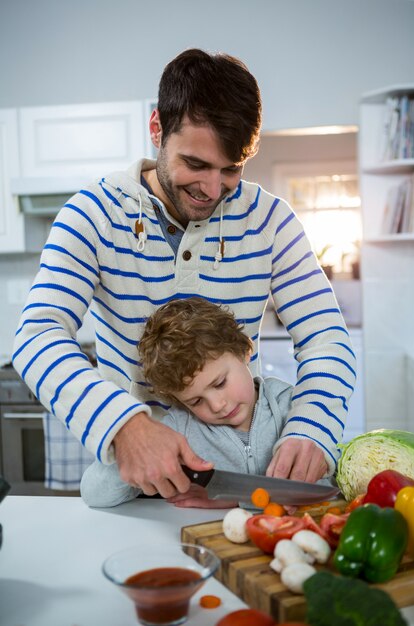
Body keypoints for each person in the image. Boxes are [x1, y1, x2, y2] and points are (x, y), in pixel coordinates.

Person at [12, 48, 356, 499]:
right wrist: (125, 427)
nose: (212, 189)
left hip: (241, 492)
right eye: (196, 164)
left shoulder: (272, 221)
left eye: (231, 169)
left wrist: (311, 429)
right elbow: (37, 334)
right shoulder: (91, 214)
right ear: (157, 128)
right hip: (136, 487)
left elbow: (326, 338)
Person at [80, 297, 294, 508]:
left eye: (219, 383)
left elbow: (321, 488)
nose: (217, 405)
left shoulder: (292, 406)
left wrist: (234, 498)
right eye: (196, 401)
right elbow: (93, 494)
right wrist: (136, 452)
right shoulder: (179, 429)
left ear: (244, 351)